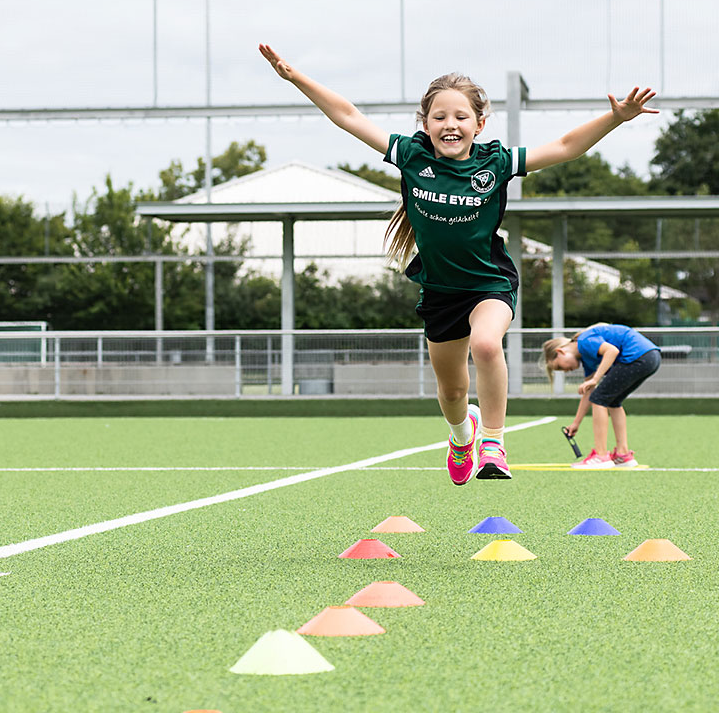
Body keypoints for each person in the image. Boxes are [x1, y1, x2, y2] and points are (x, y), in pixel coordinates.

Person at [259, 44, 657, 484]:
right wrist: (297, 78)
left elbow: (565, 146)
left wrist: (616, 118)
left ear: (479, 124)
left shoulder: (496, 163)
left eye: (461, 116)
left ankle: (493, 441)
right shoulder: (412, 156)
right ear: (425, 125)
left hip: (490, 283)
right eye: (440, 117)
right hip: (441, 292)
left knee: (486, 345)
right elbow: (349, 116)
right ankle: (461, 434)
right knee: (452, 392)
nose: (450, 124)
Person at [540, 324, 662, 468]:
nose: (565, 371)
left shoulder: (584, 341)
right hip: (651, 358)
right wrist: (576, 423)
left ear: (560, 351)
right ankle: (623, 455)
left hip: (638, 356)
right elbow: (588, 392)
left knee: (599, 400)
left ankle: (601, 455)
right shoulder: (587, 358)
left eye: (559, 367)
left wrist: (595, 378)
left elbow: (612, 351)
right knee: (612, 401)